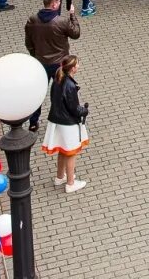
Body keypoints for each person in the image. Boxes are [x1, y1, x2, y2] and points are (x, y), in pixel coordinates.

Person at [25, 0, 81, 130]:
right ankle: (60, 120)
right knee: (60, 93)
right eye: (59, 1)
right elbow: (76, 33)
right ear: (54, 4)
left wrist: (35, 55)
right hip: (59, 65)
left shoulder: (32, 20)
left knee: (38, 93)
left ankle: (33, 122)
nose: (60, 3)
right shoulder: (61, 21)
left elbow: (29, 43)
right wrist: (72, 15)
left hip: (41, 63)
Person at [42, 55, 89, 194]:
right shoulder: (70, 85)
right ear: (73, 68)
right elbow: (74, 108)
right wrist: (84, 111)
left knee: (62, 150)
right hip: (68, 123)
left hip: (56, 120)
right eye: (77, 64)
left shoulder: (58, 79)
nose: (78, 66)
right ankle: (70, 183)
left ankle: (60, 176)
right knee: (70, 153)